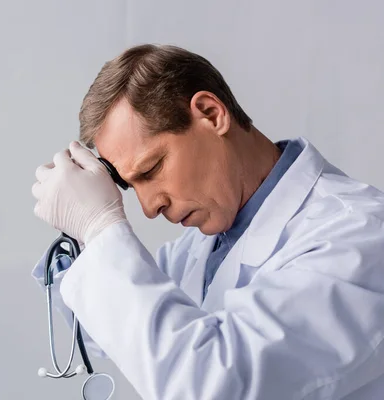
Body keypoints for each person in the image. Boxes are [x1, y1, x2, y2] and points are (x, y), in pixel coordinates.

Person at [30, 44, 384, 399]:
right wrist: (83, 237)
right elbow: (115, 332)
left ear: (212, 114)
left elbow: (213, 384)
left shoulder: (359, 234)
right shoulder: (201, 247)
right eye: (129, 184)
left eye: (151, 169)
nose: (150, 207)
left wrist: (100, 226)